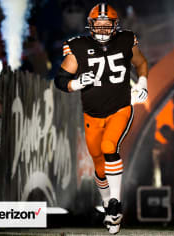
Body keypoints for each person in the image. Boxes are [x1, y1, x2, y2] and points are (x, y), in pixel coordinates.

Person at [54, 3, 148, 234]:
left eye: (108, 25)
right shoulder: (78, 46)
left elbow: (141, 63)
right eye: (99, 24)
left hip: (120, 108)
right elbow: (61, 78)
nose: (104, 29)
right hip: (92, 114)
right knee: (98, 163)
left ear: (115, 26)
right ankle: (108, 205)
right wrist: (75, 83)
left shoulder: (126, 40)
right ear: (91, 25)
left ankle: (115, 203)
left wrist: (143, 81)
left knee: (109, 146)